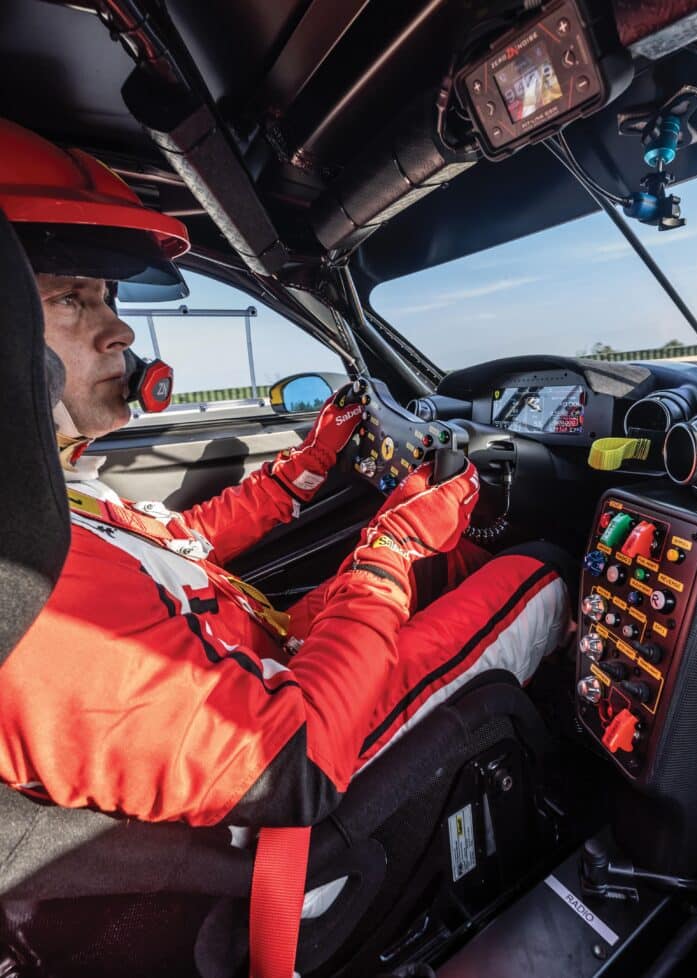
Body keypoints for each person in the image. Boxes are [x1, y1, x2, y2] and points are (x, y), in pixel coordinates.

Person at [0, 118, 569, 831]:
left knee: (456, 557)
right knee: (538, 571)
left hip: (260, 666)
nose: (120, 333)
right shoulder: (25, 591)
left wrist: (306, 465)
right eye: (69, 300)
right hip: (306, 777)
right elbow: (291, 764)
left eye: (109, 300)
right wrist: (385, 555)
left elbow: (175, 546)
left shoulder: (47, 504)